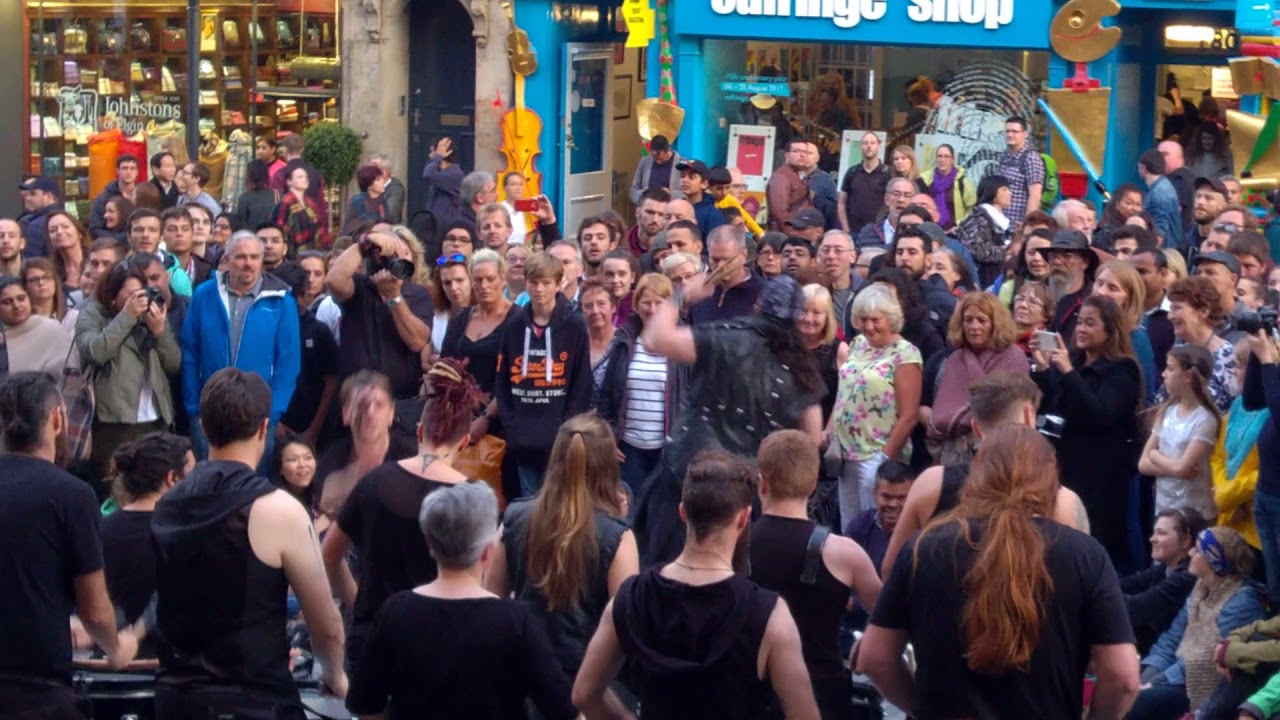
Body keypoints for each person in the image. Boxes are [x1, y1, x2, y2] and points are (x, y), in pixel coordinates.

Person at [858, 424, 1140, 719]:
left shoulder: (925, 548)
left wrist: (919, 708)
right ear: (1050, 481)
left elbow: (875, 658)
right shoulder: (1084, 555)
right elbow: (1123, 678)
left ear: (976, 477)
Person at [152, 368, 346, 717]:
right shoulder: (280, 509)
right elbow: (326, 627)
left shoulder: (166, 505)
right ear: (263, 428)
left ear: (204, 427)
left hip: (177, 701)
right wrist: (335, 676)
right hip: (254, 702)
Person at [574, 450, 820, 719]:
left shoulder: (632, 596)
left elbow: (584, 694)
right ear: (743, 518)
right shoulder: (768, 614)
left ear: (682, 512)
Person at [634, 274, 824, 565]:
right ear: (796, 319)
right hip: (744, 493)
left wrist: (682, 296)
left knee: (668, 571)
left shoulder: (727, 336)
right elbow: (810, 444)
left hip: (689, 479)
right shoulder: (803, 369)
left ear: (758, 305)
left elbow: (654, 339)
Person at [346, 481, 578, 719]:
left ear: (431, 545)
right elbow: (562, 708)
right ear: (487, 552)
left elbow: (365, 703)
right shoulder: (514, 621)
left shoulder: (396, 612)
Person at [322, 359, 484, 667]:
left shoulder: (374, 482)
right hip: (438, 644)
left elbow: (329, 555)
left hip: (375, 641)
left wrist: (358, 602)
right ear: (464, 441)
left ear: (419, 430)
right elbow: (477, 587)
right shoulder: (474, 499)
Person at [0, 372, 138, 715]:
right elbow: (94, 611)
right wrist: (115, 646)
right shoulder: (72, 496)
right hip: (37, 690)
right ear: (57, 419)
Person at [485, 412, 638, 684]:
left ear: (555, 457)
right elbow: (626, 626)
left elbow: (491, 601)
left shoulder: (515, 518)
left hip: (522, 673)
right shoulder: (618, 537)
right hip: (585, 680)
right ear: (609, 466)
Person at [751, 429, 882, 719]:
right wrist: (869, 640)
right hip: (825, 696)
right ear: (813, 485)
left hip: (753, 696)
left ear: (761, 483)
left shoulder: (736, 546)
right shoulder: (845, 553)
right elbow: (891, 621)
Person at [1033, 294, 1143, 568]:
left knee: (1093, 547)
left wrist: (1068, 373)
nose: (1081, 329)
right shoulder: (1075, 362)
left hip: (1099, 476)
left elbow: (1099, 413)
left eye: (1090, 323)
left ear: (1110, 330)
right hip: (1064, 464)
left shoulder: (1122, 371)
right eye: (1079, 322)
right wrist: (1044, 369)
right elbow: (1056, 405)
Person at [180, 231, 300, 461]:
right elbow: (190, 353)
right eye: (241, 257)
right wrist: (194, 409)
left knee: (252, 480)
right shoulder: (204, 294)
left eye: (254, 257)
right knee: (210, 477)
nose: (248, 263)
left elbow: (288, 362)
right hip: (210, 413)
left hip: (258, 416)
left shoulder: (282, 300)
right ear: (227, 259)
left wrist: (272, 414)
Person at [1128, 526, 1263, 719]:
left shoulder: (1242, 603)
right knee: (1122, 687)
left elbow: (1204, 659)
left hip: (1202, 684)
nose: (1190, 552)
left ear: (1214, 561)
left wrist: (1154, 682)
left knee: (1138, 703)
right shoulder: (1200, 587)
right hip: (1177, 673)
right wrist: (1147, 674)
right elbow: (1171, 639)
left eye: (1198, 550)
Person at [492, 251, 592, 496]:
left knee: (560, 500)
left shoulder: (574, 325)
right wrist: (512, 426)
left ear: (558, 284)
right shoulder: (514, 325)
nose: (539, 289)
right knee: (530, 503)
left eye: (546, 283)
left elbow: (581, 383)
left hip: (560, 437)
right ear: (526, 283)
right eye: (534, 282)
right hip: (523, 437)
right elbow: (502, 382)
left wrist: (568, 428)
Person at [75, 261, 179, 485]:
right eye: (131, 294)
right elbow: (95, 352)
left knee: (154, 486)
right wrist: (126, 317)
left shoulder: (150, 314)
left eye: (140, 292)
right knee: (115, 485)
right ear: (113, 294)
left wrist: (160, 332)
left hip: (155, 417)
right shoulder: (91, 314)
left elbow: (174, 364)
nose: (139, 299)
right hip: (114, 420)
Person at [829, 284, 922, 526]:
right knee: (850, 526)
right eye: (863, 319)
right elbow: (844, 391)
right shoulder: (858, 343)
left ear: (890, 318)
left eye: (875, 320)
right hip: (845, 452)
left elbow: (909, 415)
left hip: (876, 454)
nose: (869, 326)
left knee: (876, 524)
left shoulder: (905, 354)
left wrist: (883, 458)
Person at [596, 273, 683, 497]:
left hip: (668, 450)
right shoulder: (625, 341)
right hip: (629, 447)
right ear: (636, 305)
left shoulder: (683, 342)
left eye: (658, 303)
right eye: (646, 302)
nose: (652, 309)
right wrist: (608, 438)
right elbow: (607, 395)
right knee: (630, 506)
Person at [326, 226, 434, 404]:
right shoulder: (359, 286)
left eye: (402, 253)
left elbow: (417, 341)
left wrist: (394, 297)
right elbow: (333, 281)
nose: (395, 258)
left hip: (401, 401)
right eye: (389, 254)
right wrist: (364, 245)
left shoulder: (418, 294)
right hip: (356, 399)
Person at [921, 292, 1029, 465]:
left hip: (994, 452)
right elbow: (934, 405)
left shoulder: (1013, 358)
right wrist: (939, 423)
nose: (974, 326)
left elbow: (1010, 410)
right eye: (968, 320)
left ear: (995, 324)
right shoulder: (952, 359)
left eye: (982, 320)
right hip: (947, 451)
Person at [101, 432, 193, 633]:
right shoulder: (183, 533)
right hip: (164, 646)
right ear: (172, 478)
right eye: (191, 474)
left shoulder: (104, 528)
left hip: (109, 642)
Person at [1139, 345, 1221, 519]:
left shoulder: (1205, 419)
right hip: (1163, 509)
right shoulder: (1167, 412)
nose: (1163, 374)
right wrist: (1169, 466)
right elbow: (1143, 464)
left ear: (1187, 376)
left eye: (1170, 369)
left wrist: (1155, 456)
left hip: (1193, 513)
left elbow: (1181, 467)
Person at [1123, 506, 1208, 655]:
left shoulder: (1187, 576)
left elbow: (1135, 608)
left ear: (1185, 541)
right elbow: (1129, 583)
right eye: (1154, 532)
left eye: (1161, 533)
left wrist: (1094, 591)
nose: (1152, 539)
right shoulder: (1164, 568)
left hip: (1177, 654)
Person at [440, 249, 519, 397]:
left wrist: (488, 411)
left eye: (490, 279)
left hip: (501, 404)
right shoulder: (460, 318)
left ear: (503, 279)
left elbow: (515, 376)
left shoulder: (518, 318)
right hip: (459, 405)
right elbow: (444, 366)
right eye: (478, 280)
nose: (484, 285)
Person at [687, 225, 767, 324]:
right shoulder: (699, 292)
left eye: (727, 260)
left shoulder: (762, 294)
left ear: (744, 255)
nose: (721, 266)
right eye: (715, 259)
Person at [0, 276, 73, 377]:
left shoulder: (51, 329)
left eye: (21, 298)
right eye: (7, 302)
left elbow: (71, 371)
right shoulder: (2, 338)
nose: (16, 305)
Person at [995, 115, 1047, 222]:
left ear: (1025, 134)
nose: (1010, 135)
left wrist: (1027, 223)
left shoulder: (1031, 158)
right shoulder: (1005, 156)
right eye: (1007, 131)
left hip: (1018, 222)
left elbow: (1035, 195)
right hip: (1001, 221)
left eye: (1015, 131)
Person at [916, 142, 976, 230]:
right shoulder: (926, 179)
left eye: (946, 156)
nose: (942, 160)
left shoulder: (962, 182)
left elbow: (972, 209)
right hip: (929, 229)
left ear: (952, 160)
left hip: (954, 231)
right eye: (939, 156)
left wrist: (959, 225)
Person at [839, 131, 891, 233]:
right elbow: (841, 202)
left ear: (879, 146)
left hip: (879, 232)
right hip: (854, 232)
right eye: (865, 143)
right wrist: (846, 229)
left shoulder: (888, 173)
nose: (869, 146)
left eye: (872, 143)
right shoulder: (852, 172)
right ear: (861, 146)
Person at [274, 164, 330, 251]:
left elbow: (319, 228)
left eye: (306, 177)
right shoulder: (286, 203)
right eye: (300, 177)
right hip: (292, 251)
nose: (305, 179)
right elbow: (281, 228)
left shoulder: (310, 204)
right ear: (289, 182)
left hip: (312, 250)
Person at [24, 256, 77, 336]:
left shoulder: (72, 317)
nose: (41, 283)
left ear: (55, 281)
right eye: (34, 279)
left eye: (46, 277)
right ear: (25, 286)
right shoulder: (21, 320)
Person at [630, 134, 683, 204]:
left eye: (661, 159)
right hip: (649, 206)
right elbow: (633, 191)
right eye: (655, 158)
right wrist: (644, 194)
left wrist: (671, 193)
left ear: (668, 151)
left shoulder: (681, 163)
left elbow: (688, 194)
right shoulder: (644, 162)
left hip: (671, 206)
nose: (658, 162)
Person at [232, 158, 280, 231]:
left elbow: (241, 225)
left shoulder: (244, 198)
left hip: (252, 236)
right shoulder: (276, 194)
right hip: (272, 235)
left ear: (249, 176)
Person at [46, 210, 88, 292]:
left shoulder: (97, 262)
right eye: (53, 230)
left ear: (79, 233)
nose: (59, 232)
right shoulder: (49, 271)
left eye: (65, 227)